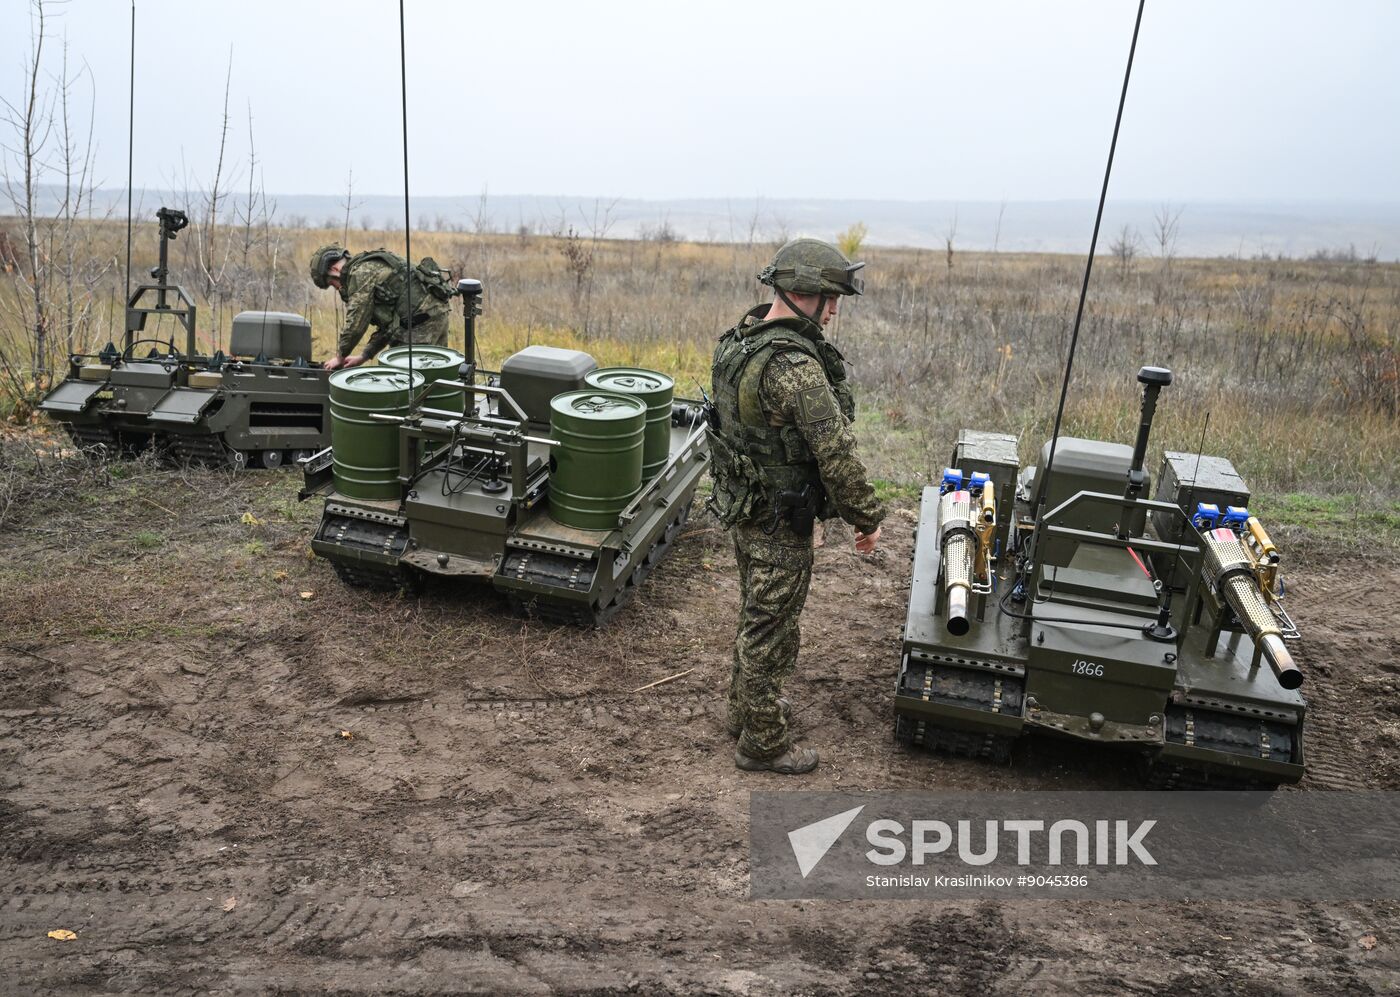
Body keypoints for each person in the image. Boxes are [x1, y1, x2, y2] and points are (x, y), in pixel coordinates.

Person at [707, 238, 886, 775]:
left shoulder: (741, 340)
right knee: (772, 629)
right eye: (829, 297)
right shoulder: (795, 367)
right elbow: (836, 453)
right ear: (802, 292)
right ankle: (762, 742)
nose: (834, 310)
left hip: (745, 506)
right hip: (780, 519)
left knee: (756, 615)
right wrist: (866, 516)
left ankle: (746, 711)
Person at [307, 245, 455, 371]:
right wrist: (364, 356)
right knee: (436, 376)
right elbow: (391, 325)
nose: (338, 288)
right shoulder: (368, 267)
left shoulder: (360, 274)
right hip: (435, 315)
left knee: (402, 383)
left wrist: (340, 357)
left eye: (333, 284)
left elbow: (356, 323)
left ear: (334, 270)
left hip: (420, 324)